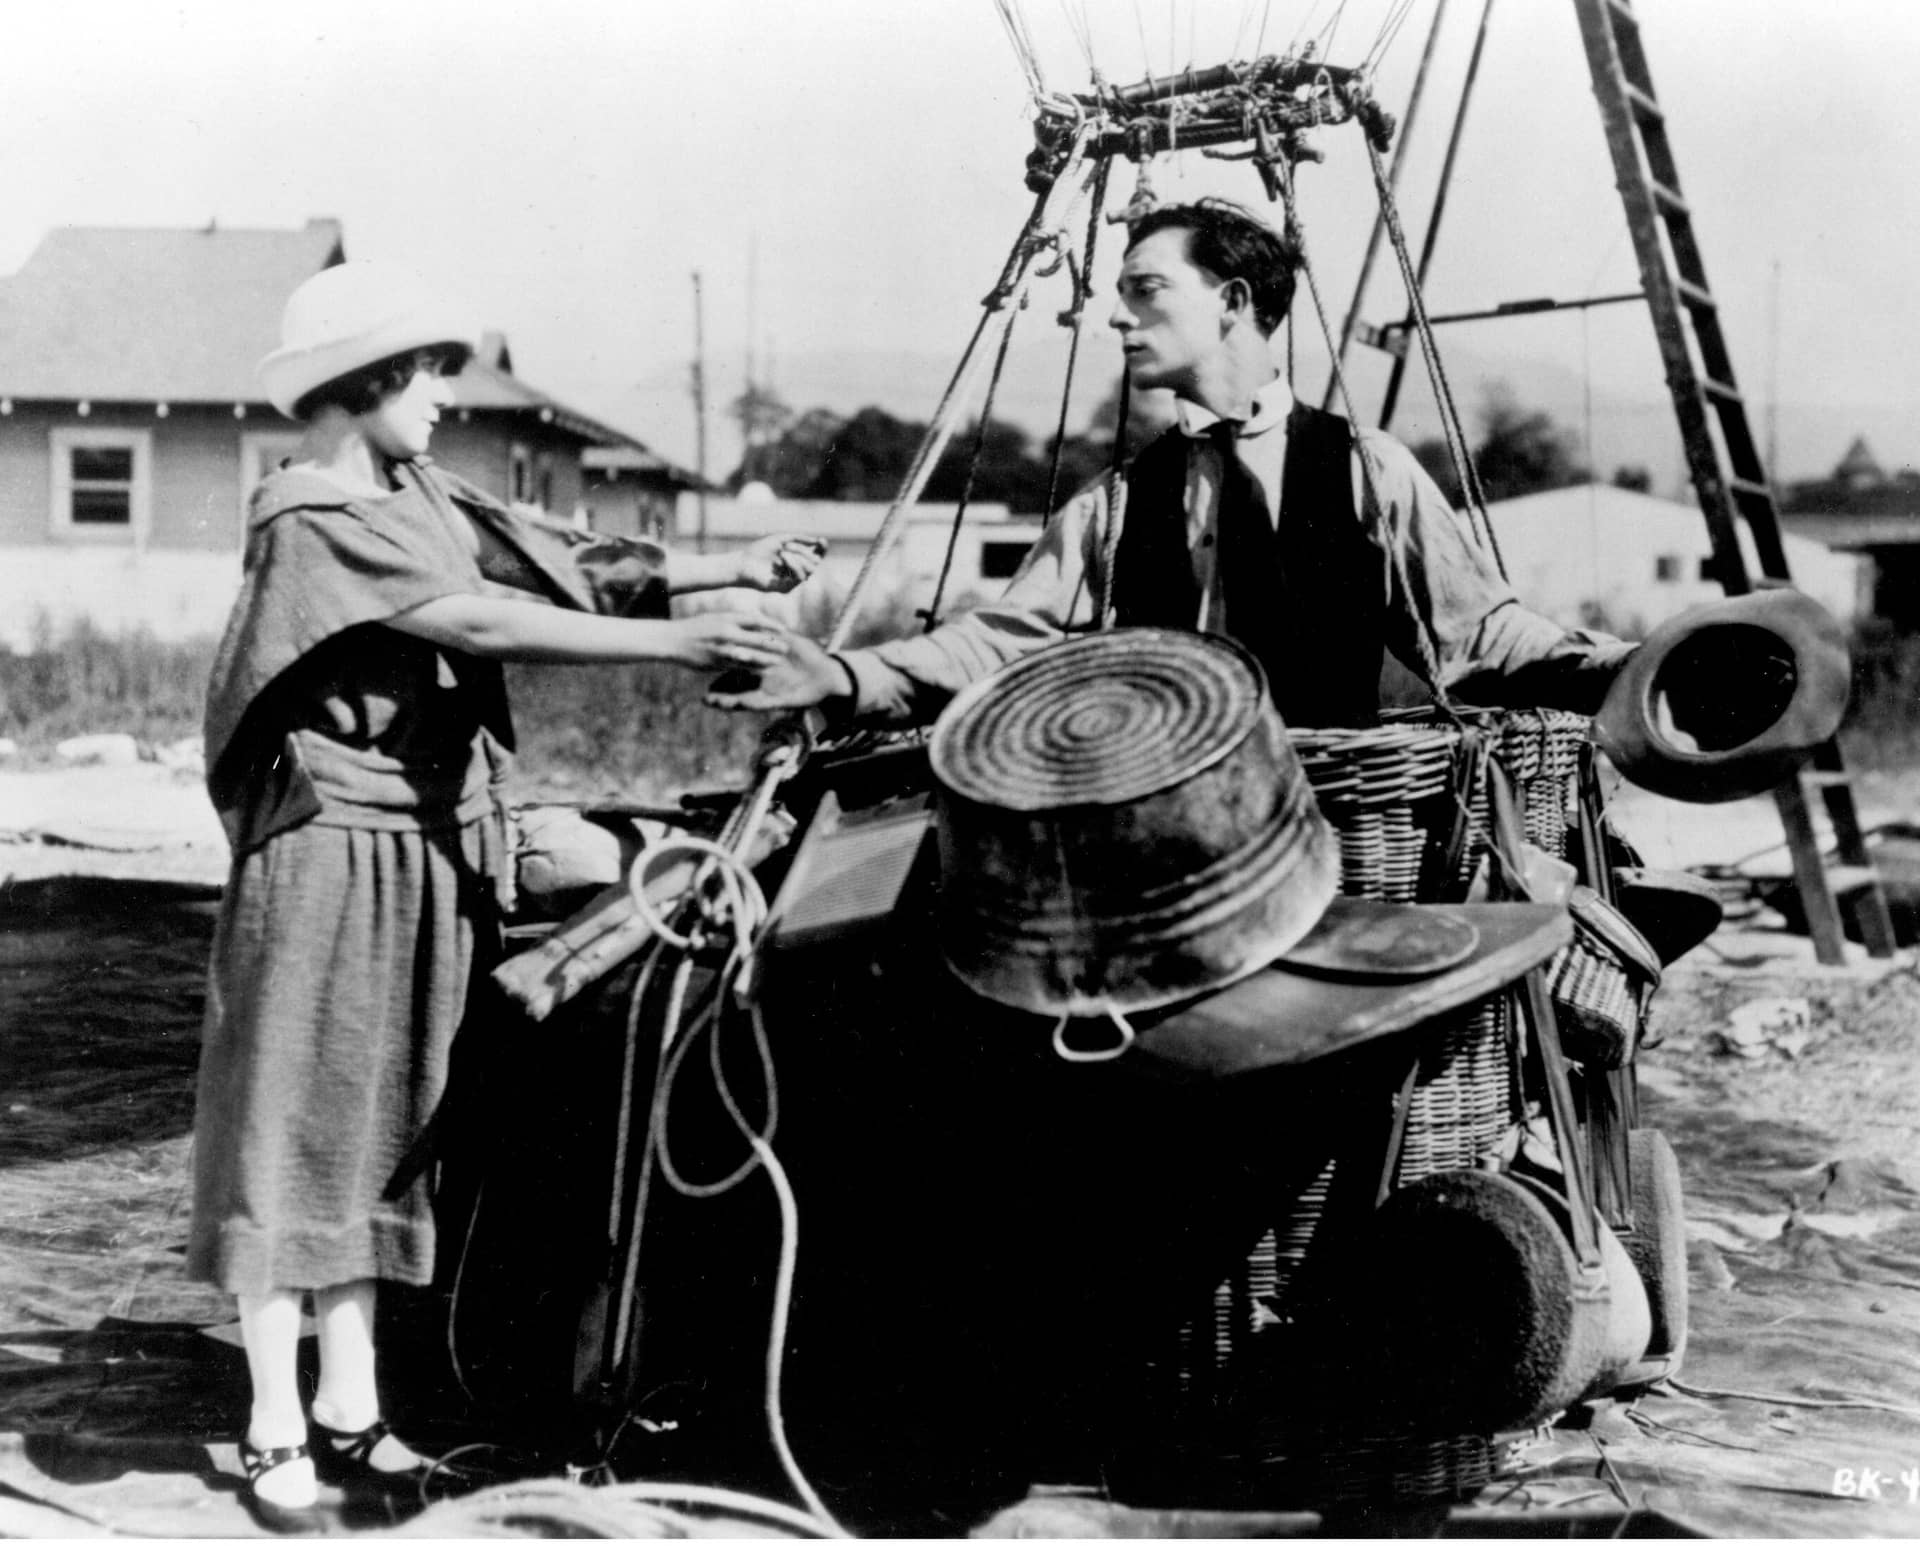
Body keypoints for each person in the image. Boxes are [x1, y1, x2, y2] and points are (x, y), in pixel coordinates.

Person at [188, 259, 811, 1531]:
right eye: (423, 374)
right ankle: (270, 1427)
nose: (440, 399)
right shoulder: (310, 514)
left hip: (420, 844)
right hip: (324, 850)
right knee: (293, 1122)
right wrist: (685, 643)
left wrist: (725, 570)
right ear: (359, 381)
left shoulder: (416, 489)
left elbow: (551, 554)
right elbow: (476, 622)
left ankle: (352, 1411)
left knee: (388, 1123)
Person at [709, 197, 1633, 726]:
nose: (1116, 318)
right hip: (1167, 846)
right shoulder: (1117, 504)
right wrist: (843, 675)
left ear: (1233, 301)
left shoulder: (1370, 471)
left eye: (1145, 291)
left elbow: (1488, 636)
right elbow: (1001, 642)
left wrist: (1635, 670)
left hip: (1348, 834)